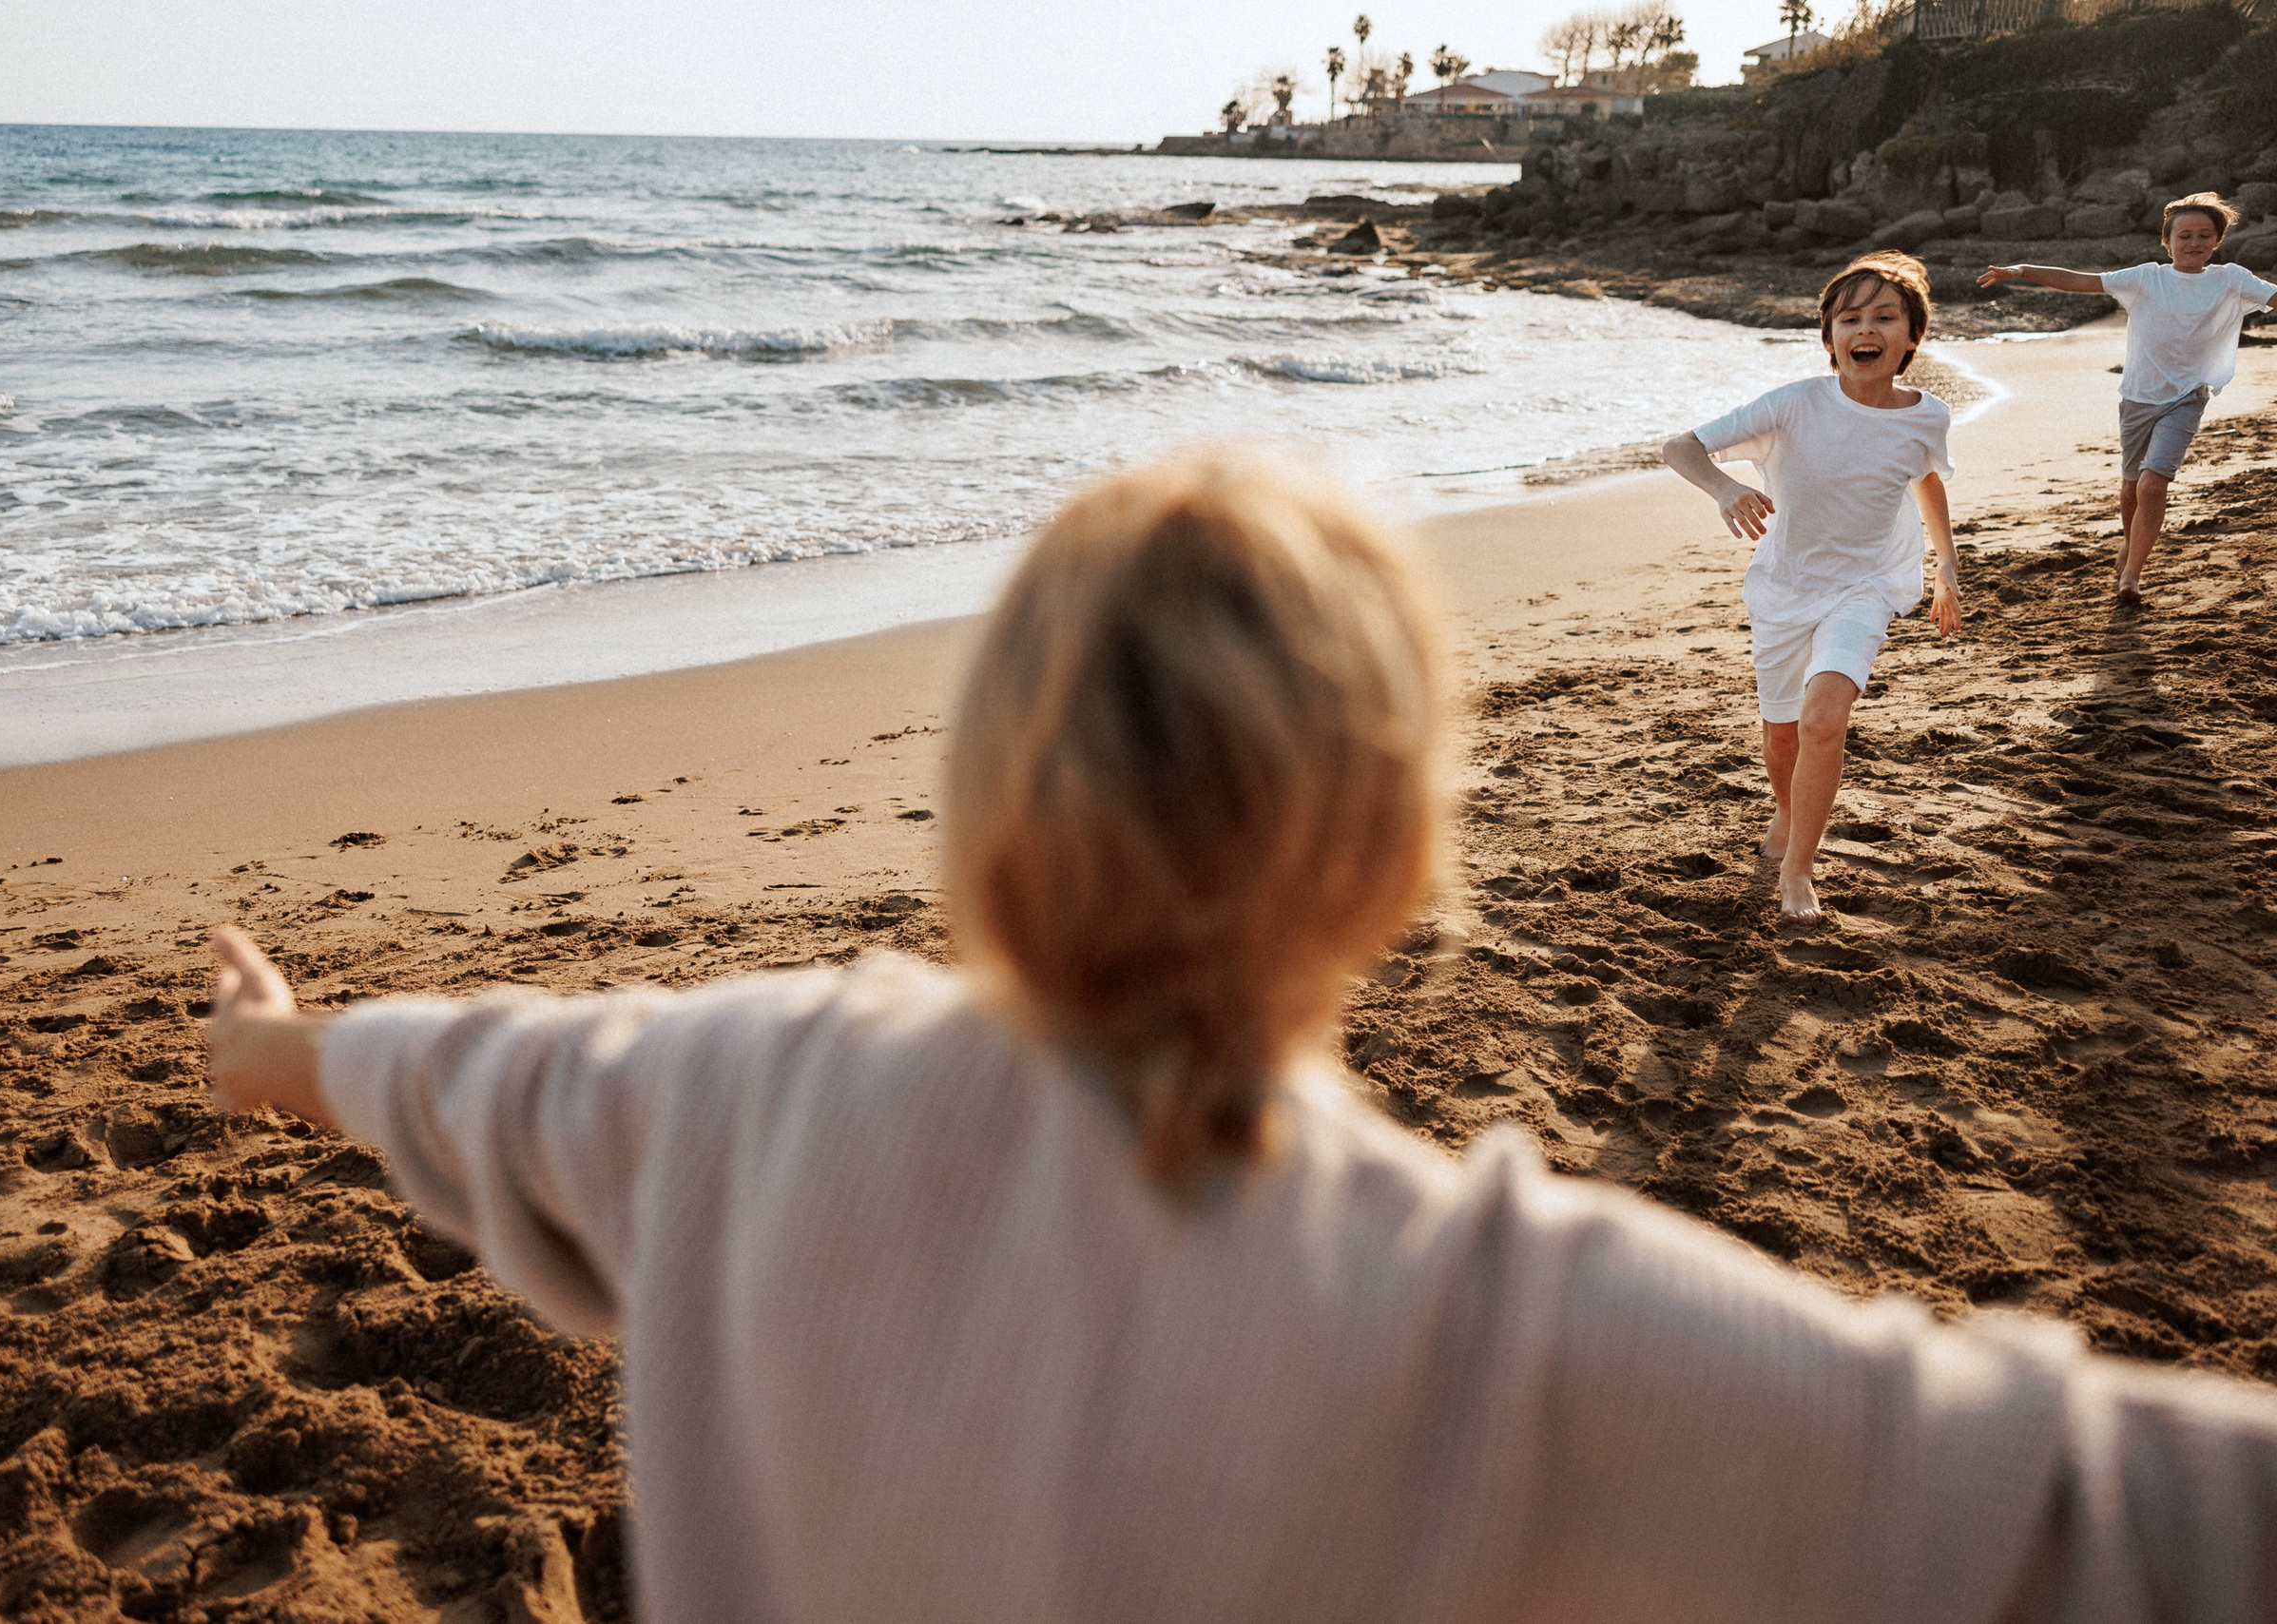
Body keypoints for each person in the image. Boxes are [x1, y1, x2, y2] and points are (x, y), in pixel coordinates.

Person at [209, 453, 2277, 1624]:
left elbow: (422, 1069)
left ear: (992, 793)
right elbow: (2109, 1510)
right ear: (1390, 856)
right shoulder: (1499, 1312)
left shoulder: (726, 1086)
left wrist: (275, 1039)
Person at [1662, 250, 1961, 922]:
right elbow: (1680, 446)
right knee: (1781, 739)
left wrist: (1945, 562)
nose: (1868, 329)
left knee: (1823, 720)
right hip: (1783, 590)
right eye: (1851, 318)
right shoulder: (1797, 404)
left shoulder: (1926, 416)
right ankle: (1788, 809)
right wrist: (1724, 487)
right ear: (1828, 339)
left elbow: (1926, 477)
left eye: (1886, 317)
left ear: (1912, 337)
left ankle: (1798, 869)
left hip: (1863, 588)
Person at [1978, 191, 2277, 604]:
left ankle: (2131, 577)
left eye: (2204, 235)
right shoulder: (2145, 277)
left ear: (2217, 241)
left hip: (2188, 396)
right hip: (2137, 396)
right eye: (2184, 235)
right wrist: (2023, 270)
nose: (2194, 243)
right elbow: (2081, 281)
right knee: (2131, 486)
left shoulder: (2232, 280)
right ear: (2166, 241)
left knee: (2153, 484)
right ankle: (2130, 541)